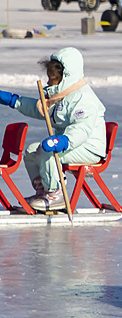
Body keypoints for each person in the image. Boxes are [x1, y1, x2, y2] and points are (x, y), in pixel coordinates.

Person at [0, 48, 106, 211]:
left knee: (46, 150)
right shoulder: (62, 96)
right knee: (31, 151)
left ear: (66, 77)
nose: (49, 83)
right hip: (71, 145)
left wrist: (64, 140)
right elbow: (41, 110)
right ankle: (43, 191)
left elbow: (82, 129)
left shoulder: (83, 98)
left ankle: (56, 194)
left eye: (53, 79)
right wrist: (14, 101)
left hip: (89, 147)